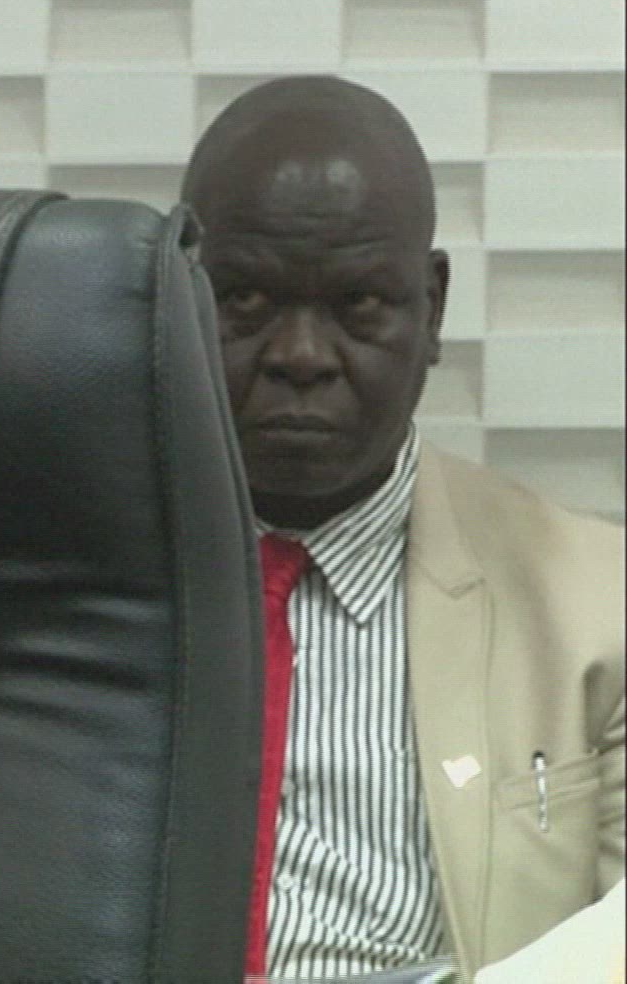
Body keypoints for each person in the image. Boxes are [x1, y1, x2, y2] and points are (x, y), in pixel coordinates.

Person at [182, 75, 624, 982]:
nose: (301, 356)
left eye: (359, 305)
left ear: (432, 307)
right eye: (248, 300)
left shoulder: (596, 607)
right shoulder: (43, 585)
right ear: (174, 295)